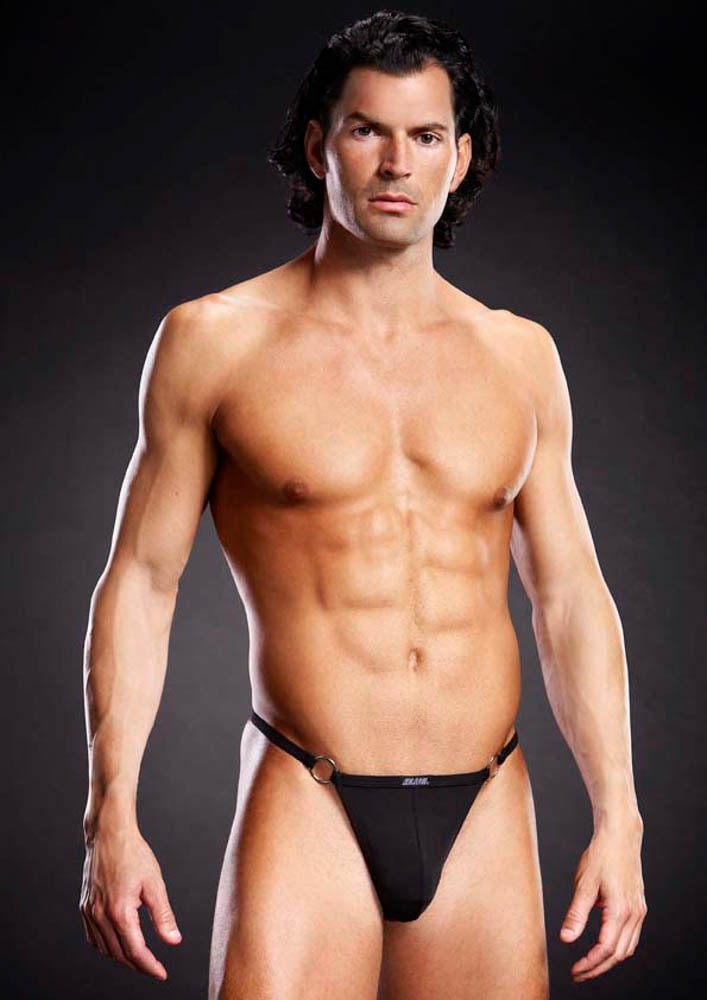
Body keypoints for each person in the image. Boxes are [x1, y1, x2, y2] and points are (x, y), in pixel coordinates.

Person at [79, 10, 646, 998]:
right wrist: (109, 814)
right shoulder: (215, 342)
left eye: (424, 135)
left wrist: (619, 817)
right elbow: (141, 582)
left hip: (486, 796)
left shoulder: (519, 355)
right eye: (365, 129)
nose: (395, 163)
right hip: (309, 789)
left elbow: (567, 596)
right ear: (317, 146)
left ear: (459, 158)